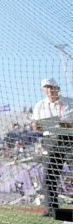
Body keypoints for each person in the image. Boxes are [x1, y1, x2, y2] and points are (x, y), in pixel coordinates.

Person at [30, 78, 72, 216]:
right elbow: (36, 127)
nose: (50, 89)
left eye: (52, 87)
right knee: (49, 175)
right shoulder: (39, 106)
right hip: (50, 140)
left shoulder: (69, 102)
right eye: (47, 87)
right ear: (44, 89)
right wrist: (37, 126)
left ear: (58, 88)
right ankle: (51, 210)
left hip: (69, 140)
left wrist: (63, 125)